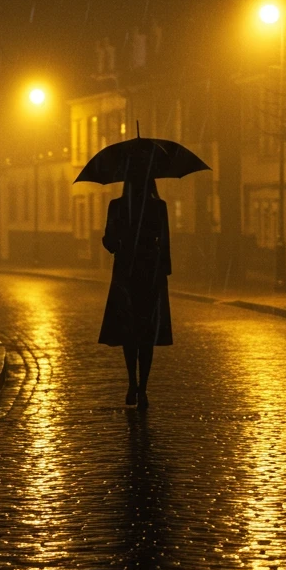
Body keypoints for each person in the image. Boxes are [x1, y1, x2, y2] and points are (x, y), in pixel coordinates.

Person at [98, 167, 172, 409]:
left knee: (129, 331)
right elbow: (166, 241)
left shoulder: (116, 206)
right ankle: (143, 388)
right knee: (147, 332)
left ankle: (132, 382)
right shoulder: (158, 207)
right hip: (150, 271)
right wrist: (163, 270)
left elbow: (109, 241)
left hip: (126, 270)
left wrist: (116, 243)